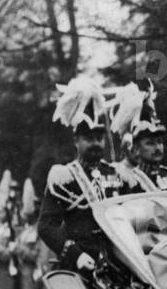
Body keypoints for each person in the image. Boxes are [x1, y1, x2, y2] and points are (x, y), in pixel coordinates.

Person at [38, 76, 139, 273]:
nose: (95, 143)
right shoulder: (64, 178)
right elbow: (46, 225)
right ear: (76, 140)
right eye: (88, 138)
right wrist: (75, 255)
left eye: (99, 138)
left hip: (119, 265)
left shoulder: (120, 175)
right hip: (80, 265)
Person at [111, 80, 167, 191]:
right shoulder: (124, 180)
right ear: (135, 149)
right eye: (150, 143)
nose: (157, 147)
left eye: (159, 141)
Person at [13, 178, 44, 289]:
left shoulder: (38, 230)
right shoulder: (25, 230)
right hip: (21, 270)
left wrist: (22, 250)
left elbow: (37, 253)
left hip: (32, 270)